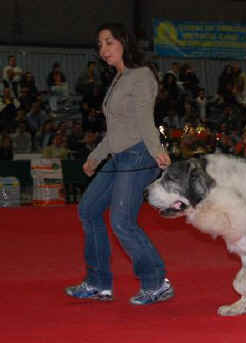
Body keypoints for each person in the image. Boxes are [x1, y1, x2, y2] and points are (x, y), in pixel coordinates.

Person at [65, 23, 173, 305]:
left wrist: (157, 151)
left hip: (139, 155)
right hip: (119, 155)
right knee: (88, 210)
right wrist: (96, 156)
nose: (103, 50)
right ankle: (98, 283)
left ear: (125, 43)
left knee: (122, 221)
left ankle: (156, 283)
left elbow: (144, 120)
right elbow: (116, 130)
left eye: (109, 42)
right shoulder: (118, 79)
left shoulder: (141, 76)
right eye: (100, 45)